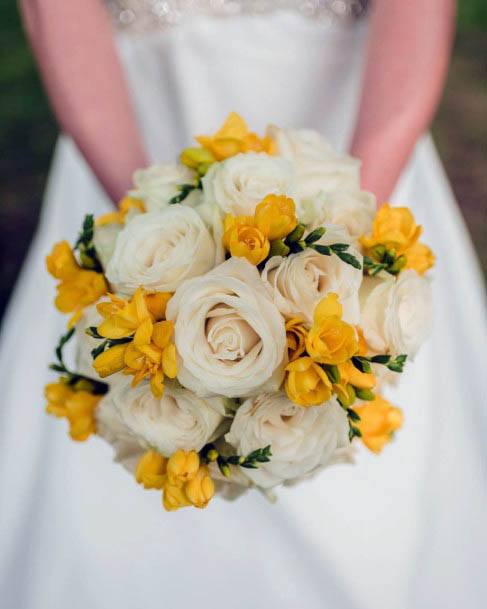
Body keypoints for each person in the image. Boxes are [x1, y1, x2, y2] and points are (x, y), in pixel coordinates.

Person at [0, 1, 485, 608]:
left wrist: (343, 228)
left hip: (358, 146)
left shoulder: (351, 206)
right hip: (130, 138)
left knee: (370, 530)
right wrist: (149, 243)